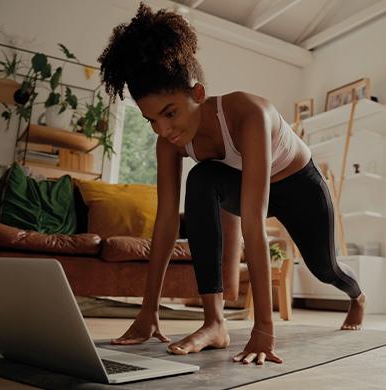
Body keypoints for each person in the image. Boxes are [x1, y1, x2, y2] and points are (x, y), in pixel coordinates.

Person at [97, 3, 366, 366]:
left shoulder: (247, 113)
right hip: (245, 186)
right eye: (151, 120)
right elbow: (165, 223)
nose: (163, 130)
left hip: (299, 186)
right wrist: (148, 311)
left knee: (325, 269)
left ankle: (358, 296)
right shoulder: (170, 143)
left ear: (198, 93)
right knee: (202, 178)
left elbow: (253, 223)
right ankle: (215, 322)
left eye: (170, 113)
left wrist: (264, 329)